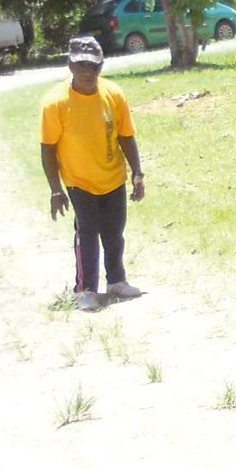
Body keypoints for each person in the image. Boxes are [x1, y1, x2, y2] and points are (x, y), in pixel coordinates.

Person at [40, 35, 144, 312]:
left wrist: (137, 172)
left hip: (112, 177)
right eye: (82, 65)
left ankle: (117, 282)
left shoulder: (114, 94)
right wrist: (55, 189)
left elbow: (126, 136)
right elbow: (48, 148)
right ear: (70, 65)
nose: (89, 72)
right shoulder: (55, 103)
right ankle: (85, 289)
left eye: (94, 67)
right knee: (87, 231)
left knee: (114, 231)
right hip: (79, 180)